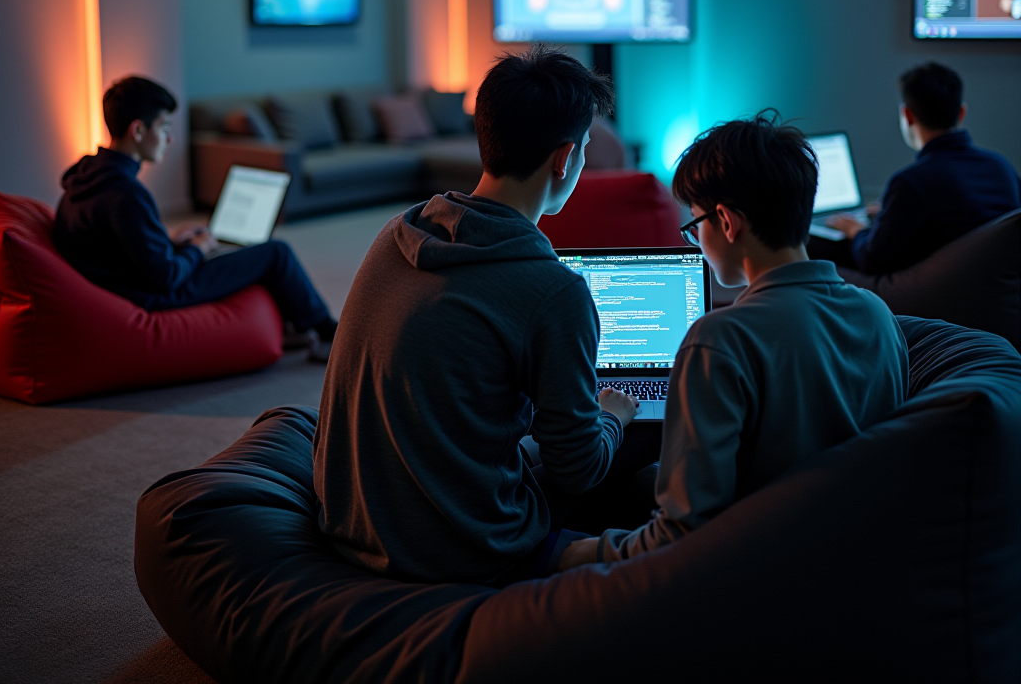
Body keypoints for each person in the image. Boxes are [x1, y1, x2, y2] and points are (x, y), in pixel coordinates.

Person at [313, 47, 639, 586]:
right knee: (630, 448)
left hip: (349, 523)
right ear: (565, 158)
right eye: (583, 150)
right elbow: (576, 469)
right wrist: (613, 417)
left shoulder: (400, 232)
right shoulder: (554, 290)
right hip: (456, 549)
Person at [558, 112, 908, 570]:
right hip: (854, 554)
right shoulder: (877, 314)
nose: (696, 239)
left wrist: (571, 553)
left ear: (725, 221)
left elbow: (682, 536)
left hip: (754, 568)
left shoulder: (719, 340)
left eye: (695, 225)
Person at [53, 76, 337, 361]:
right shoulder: (125, 194)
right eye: (164, 127)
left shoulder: (85, 176)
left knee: (234, 250)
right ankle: (330, 335)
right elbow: (166, 277)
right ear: (138, 131)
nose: (169, 138)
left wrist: (168, 241)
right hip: (152, 294)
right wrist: (198, 248)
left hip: (127, 278)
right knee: (276, 253)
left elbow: (115, 242)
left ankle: (291, 326)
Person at [818, 63, 1020, 275]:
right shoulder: (1000, 166)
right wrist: (890, 213)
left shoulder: (912, 183)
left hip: (934, 295)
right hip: (997, 288)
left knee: (817, 249)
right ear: (961, 112)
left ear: (908, 115)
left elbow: (872, 261)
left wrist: (855, 229)